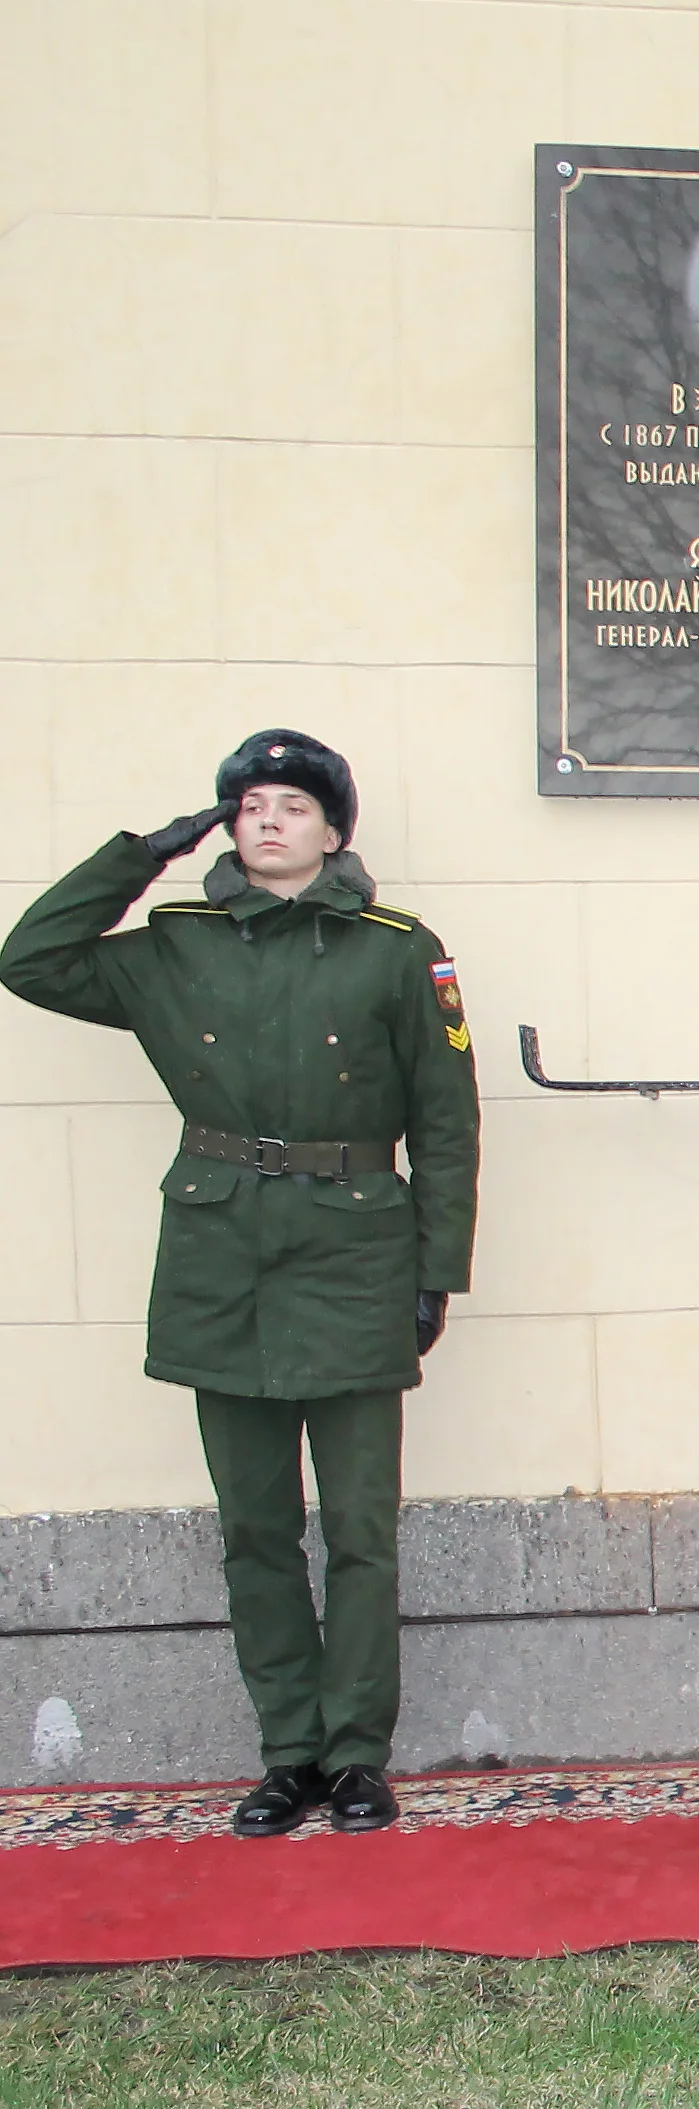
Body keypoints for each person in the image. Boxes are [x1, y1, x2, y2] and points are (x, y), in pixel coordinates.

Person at [3, 732, 478, 1840]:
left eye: (292, 806)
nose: (267, 820)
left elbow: (446, 1124)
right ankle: (289, 1757)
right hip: (223, 1261)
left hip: (357, 1251)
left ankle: (357, 1756)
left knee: (360, 1527)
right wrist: (140, 857)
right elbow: (31, 960)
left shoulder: (397, 952)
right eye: (248, 805)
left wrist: (435, 1270)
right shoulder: (175, 946)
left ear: (333, 830)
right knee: (254, 1527)